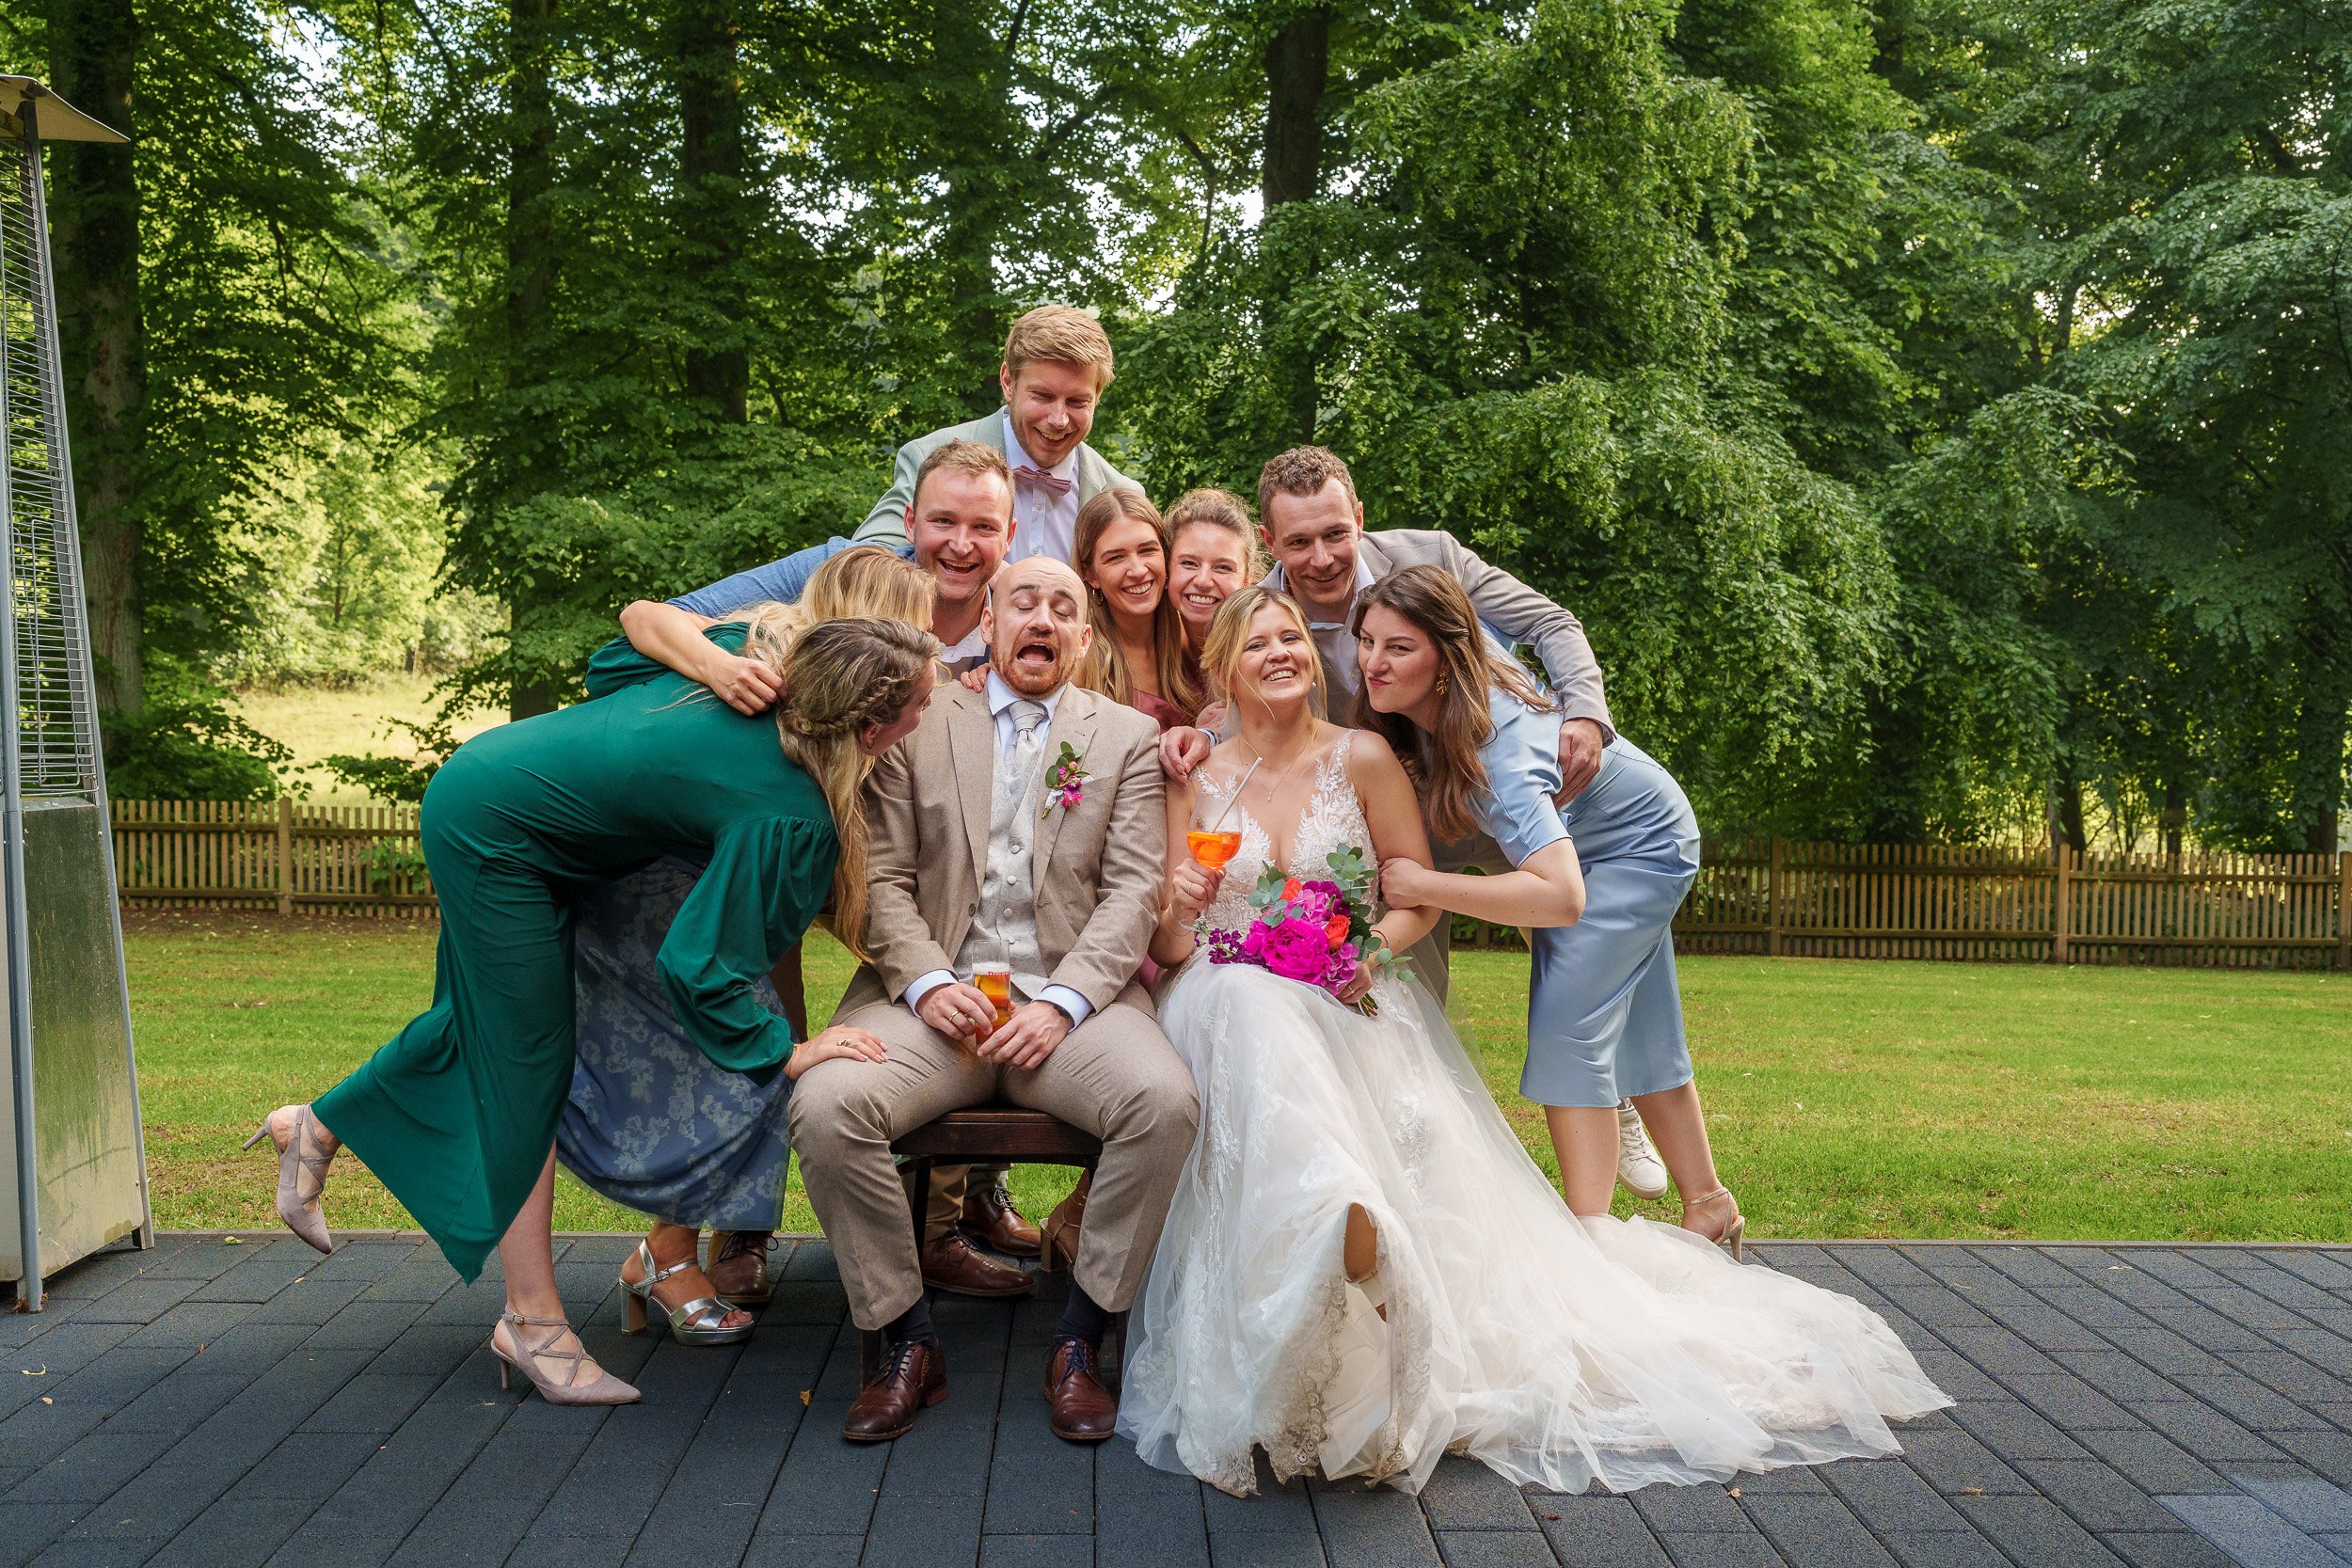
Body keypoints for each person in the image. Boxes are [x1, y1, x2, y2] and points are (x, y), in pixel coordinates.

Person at [1119, 584, 1947, 1496]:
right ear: (1222, 668)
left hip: (1344, 989)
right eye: (1257, 644)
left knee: (1336, 1021)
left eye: (1291, 638)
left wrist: (1364, 952)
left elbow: (1413, 895)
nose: (1280, 652)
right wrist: (1178, 908)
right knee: (1241, 997)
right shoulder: (1195, 776)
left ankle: (1350, 1243)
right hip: (1230, 996)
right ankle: (1336, 1217)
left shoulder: (1364, 757)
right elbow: (1171, 946)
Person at [245, 616, 939, 1404]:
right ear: (872, 727)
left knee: (492, 1022)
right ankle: (532, 1324)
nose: (929, 711)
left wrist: (714, 661)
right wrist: (786, 1051)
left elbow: (611, 662)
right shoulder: (788, 805)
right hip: (494, 834)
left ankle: (316, 1125)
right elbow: (700, 964)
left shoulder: (764, 676)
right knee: (527, 1064)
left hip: (521, 806)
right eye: (921, 702)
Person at [1161, 445, 1669, 1202]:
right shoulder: (1271, 610)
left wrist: (1586, 713)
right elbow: (1252, 697)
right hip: (1405, 823)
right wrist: (1207, 734)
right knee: (1404, 1004)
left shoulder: (1429, 558)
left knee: (1577, 960)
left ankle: (1614, 1097)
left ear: (1359, 519)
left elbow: (1551, 622)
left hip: (1498, 788)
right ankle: (1379, 1183)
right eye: (1299, 541)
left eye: (1336, 533)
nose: (1323, 556)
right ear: (1271, 544)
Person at [604, 439, 1043, 1299]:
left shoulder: (1015, 607)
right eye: (942, 520)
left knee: (956, 988)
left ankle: (946, 1217)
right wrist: (723, 668)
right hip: (784, 825)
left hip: (902, 862)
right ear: (908, 519)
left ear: (1010, 533)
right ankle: (707, 1235)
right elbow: (647, 617)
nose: (960, 543)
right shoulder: (843, 571)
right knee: (758, 1014)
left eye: (982, 526)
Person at [789, 556, 1198, 1447]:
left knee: (1163, 1102)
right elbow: (881, 879)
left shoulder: (1124, 737)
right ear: (987, 620)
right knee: (827, 1101)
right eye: (1024, 602)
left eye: (1063, 607)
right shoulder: (920, 719)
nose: (1042, 618)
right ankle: (905, 1337)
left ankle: (1081, 1339)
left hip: (1071, 1008)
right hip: (932, 1007)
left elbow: (1133, 892)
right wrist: (930, 982)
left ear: (1085, 638)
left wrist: (1064, 1003)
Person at [555, 546, 937, 1340]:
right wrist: (708, 664)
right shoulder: (766, 667)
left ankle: (679, 1250)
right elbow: (632, 630)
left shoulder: (854, 696)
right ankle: (672, 1254)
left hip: (738, 880)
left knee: (756, 1044)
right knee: (743, 1043)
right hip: (672, 880)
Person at [1357, 566, 1746, 1233]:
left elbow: (1561, 897)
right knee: (1647, 1030)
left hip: (1635, 850)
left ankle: (1586, 1246)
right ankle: (1709, 1204)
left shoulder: (1497, 755)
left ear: (1446, 659)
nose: (1373, 662)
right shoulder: (1446, 704)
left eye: (1398, 648)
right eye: (1366, 641)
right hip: (1605, 839)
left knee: (1568, 1030)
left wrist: (1425, 888)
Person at [851, 306, 1141, 565]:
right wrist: (1001, 579)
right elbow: (866, 557)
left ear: (1097, 396)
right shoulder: (928, 455)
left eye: (1077, 402)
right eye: (1042, 396)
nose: (1058, 420)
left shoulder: (1121, 493)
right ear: (1008, 382)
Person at [1072, 489, 1203, 730]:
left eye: (1147, 551)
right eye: (1116, 558)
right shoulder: (1080, 660)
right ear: (1089, 573)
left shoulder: (1191, 637)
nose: (1137, 570)